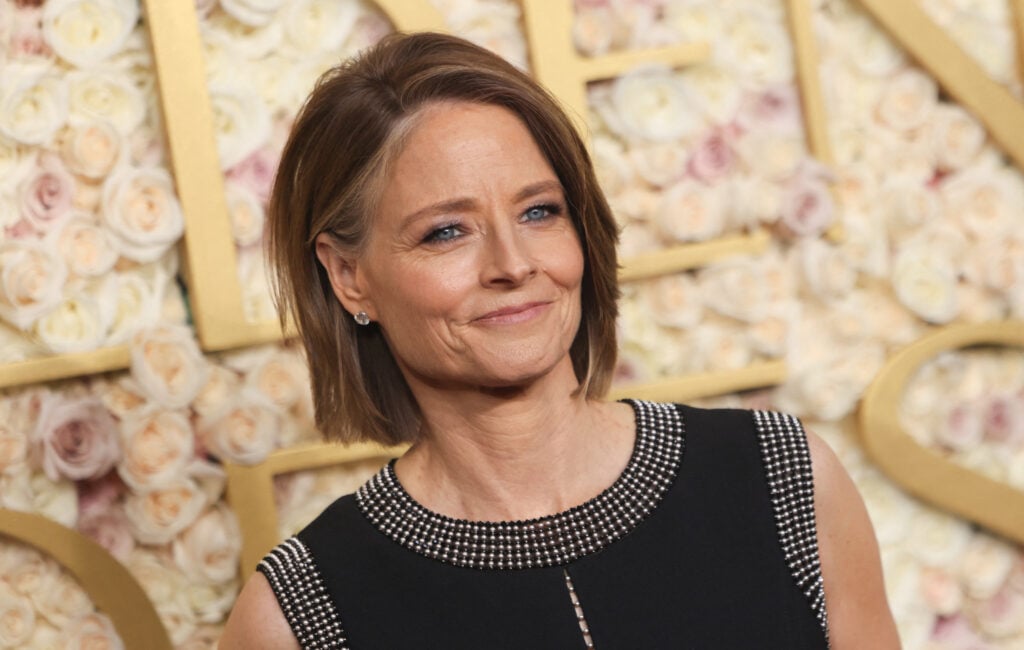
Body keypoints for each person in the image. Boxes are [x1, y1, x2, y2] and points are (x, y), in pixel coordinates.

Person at [219, 32, 899, 649]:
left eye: (539, 211)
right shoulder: (300, 615)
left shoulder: (782, 479)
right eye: (446, 231)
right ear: (348, 276)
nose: (513, 264)